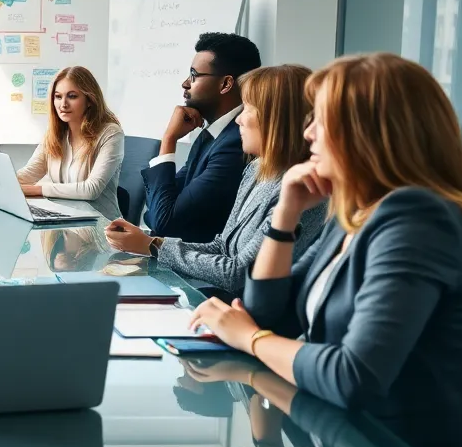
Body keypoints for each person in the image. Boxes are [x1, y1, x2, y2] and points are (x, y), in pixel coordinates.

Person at [83, 53, 462, 447]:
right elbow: (267, 308)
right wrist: (286, 213)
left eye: (320, 120)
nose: (307, 134)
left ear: (366, 131)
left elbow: (350, 374)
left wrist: (249, 339)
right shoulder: (354, 215)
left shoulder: (416, 221)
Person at [106, 65, 327, 301]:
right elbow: (223, 246)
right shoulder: (255, 169)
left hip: (245, 312)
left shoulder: (302, 192)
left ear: (277, 118)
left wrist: (153, 246)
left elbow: (237, 273)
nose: (239, 119)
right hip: (224, 303)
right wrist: (152, 242)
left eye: (248, 109)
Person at [142, 32, 262, 243]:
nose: (185, 84)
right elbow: (156, 210)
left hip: (197, 267)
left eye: (193, 75)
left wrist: (169, 139)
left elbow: (163, 220)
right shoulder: (212, 135)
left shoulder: (236, 144)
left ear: (225, 84)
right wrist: (160, 213)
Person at [16, 66, 124, 221]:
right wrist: (2, 183)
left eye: (72, 96)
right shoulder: (55, 134)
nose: (63, 104)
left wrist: (37, 190)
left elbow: (91, 190)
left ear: (89, 100)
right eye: (58, 97)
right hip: (64, 219)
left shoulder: (111, 133)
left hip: (101, 226)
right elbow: (29, 174)